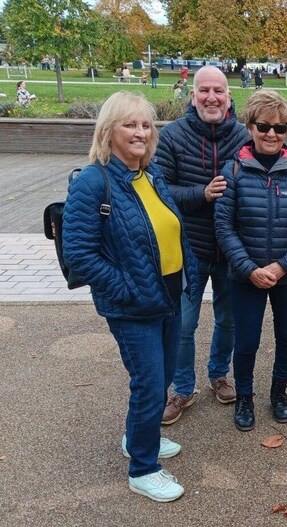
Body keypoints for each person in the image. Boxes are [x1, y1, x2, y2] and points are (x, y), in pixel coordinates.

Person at [62, 92, 199, 502]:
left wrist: (187, 271)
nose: (141, 132)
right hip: (133, 304)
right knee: (149, 383)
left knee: (160, 379)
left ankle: (140, 438)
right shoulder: (93, 181)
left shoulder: (150, 175)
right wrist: (128, 289)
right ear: (108, 131)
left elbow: (171, 228)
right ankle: (143, 467)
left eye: (145, 125)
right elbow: (79, 255)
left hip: (169, 294)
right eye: (130, 124)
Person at [214, 91, 287, 430]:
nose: (272, 134)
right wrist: (250, 269)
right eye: (264, 126)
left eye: (280, 127)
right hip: (246, 276)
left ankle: (279, 392)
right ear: (250, 126)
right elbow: (224, 226)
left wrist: (283, 265)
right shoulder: (233, 170)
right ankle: (244, 396)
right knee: (246, 340)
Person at [155, 66, 250, 424]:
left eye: (219, 91)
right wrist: (202, 193)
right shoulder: (173, 136)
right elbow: (160, 190)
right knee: (183, 324)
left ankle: (218, 374)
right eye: (204, 90)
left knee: (228, 319)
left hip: (230, 248)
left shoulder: (243, 135)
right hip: (188, 248)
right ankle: (182, 388)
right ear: (192, 96)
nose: (212, 97)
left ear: (228, 97)